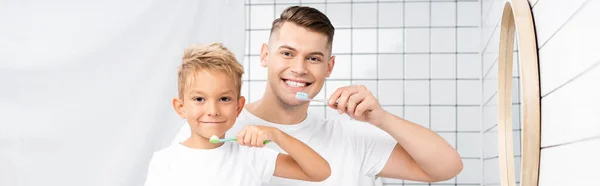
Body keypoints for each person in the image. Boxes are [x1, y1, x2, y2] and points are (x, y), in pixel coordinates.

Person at [173, 6, 463, 186]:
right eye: (287, 53)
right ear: (265, 55)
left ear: (329, 67)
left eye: (313, 58)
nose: (298, 69)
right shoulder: (215, 128)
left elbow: (446, 167)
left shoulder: (350, 138)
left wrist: (381, 118)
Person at [144, 43, 331, 186]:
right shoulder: (165, 162)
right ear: (180, 107)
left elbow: (320, 172)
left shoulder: (250, 157)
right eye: (199, 99)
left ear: (239, 107)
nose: (213, 111)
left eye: (224, 99)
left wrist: (276, 134)